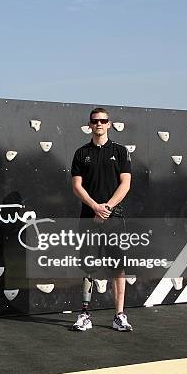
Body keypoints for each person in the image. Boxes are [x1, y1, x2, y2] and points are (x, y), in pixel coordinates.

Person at [70, 107, 133, 332]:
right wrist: (95, 207)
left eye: (103, 121)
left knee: (118, 268)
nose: (99, 124)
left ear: (109, 124)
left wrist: (106, 207)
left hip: (114, 218)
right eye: (95, 121)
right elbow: (76, 186)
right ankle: (85, 315)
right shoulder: (80, 153)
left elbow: (125, 183)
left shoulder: (120, 151)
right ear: (89, 124)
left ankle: (119, 316)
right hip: (89, 218)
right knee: (88, 266)